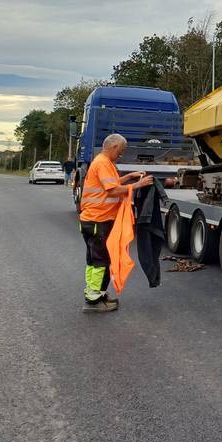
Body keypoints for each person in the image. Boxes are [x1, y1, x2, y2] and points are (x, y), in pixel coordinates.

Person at [78, 133, 153, 312]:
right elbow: (111, 191)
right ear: (113, 147)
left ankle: (95, 294)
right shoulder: (103, 163)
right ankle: (94, 301)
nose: (122, 153)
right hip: (98, 220)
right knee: (100, 261)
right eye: (121, 150)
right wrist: (137, 185)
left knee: (93, 260)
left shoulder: (102, 162)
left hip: (92, 219)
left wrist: (128, 177)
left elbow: (110, 184)